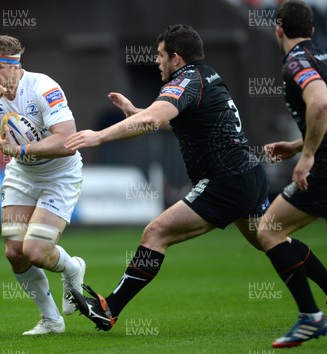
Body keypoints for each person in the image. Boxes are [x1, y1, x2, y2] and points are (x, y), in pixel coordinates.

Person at [64, 24, 327, 347]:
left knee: (156, 233)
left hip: (226, 180)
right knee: (270, 240)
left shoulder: (186, 80)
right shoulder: (206, 75)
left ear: (176, 58)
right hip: (246, 176)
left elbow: (155, 120)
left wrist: (99, 136)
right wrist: (137, 112)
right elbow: (168, 119)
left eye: (160, 55)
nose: (157, 62)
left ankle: (110, 308)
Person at [0, 34, 86, 335]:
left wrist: (23, 150)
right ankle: (51, 320)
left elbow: (67, 140)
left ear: (16, 67)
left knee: (37, 250)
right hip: (22, 176)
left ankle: (72, 268)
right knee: (15, 251)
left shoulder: (43, 88)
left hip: (59, 176)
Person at [256, 0, 327, 348]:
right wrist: (297, 145)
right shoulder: (323, 56)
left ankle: (311, 317)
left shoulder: (297, 62)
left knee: (268, 230)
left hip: (323, 170)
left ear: (279, 28)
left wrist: (308, 155)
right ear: (311, 29)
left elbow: (320, 104)